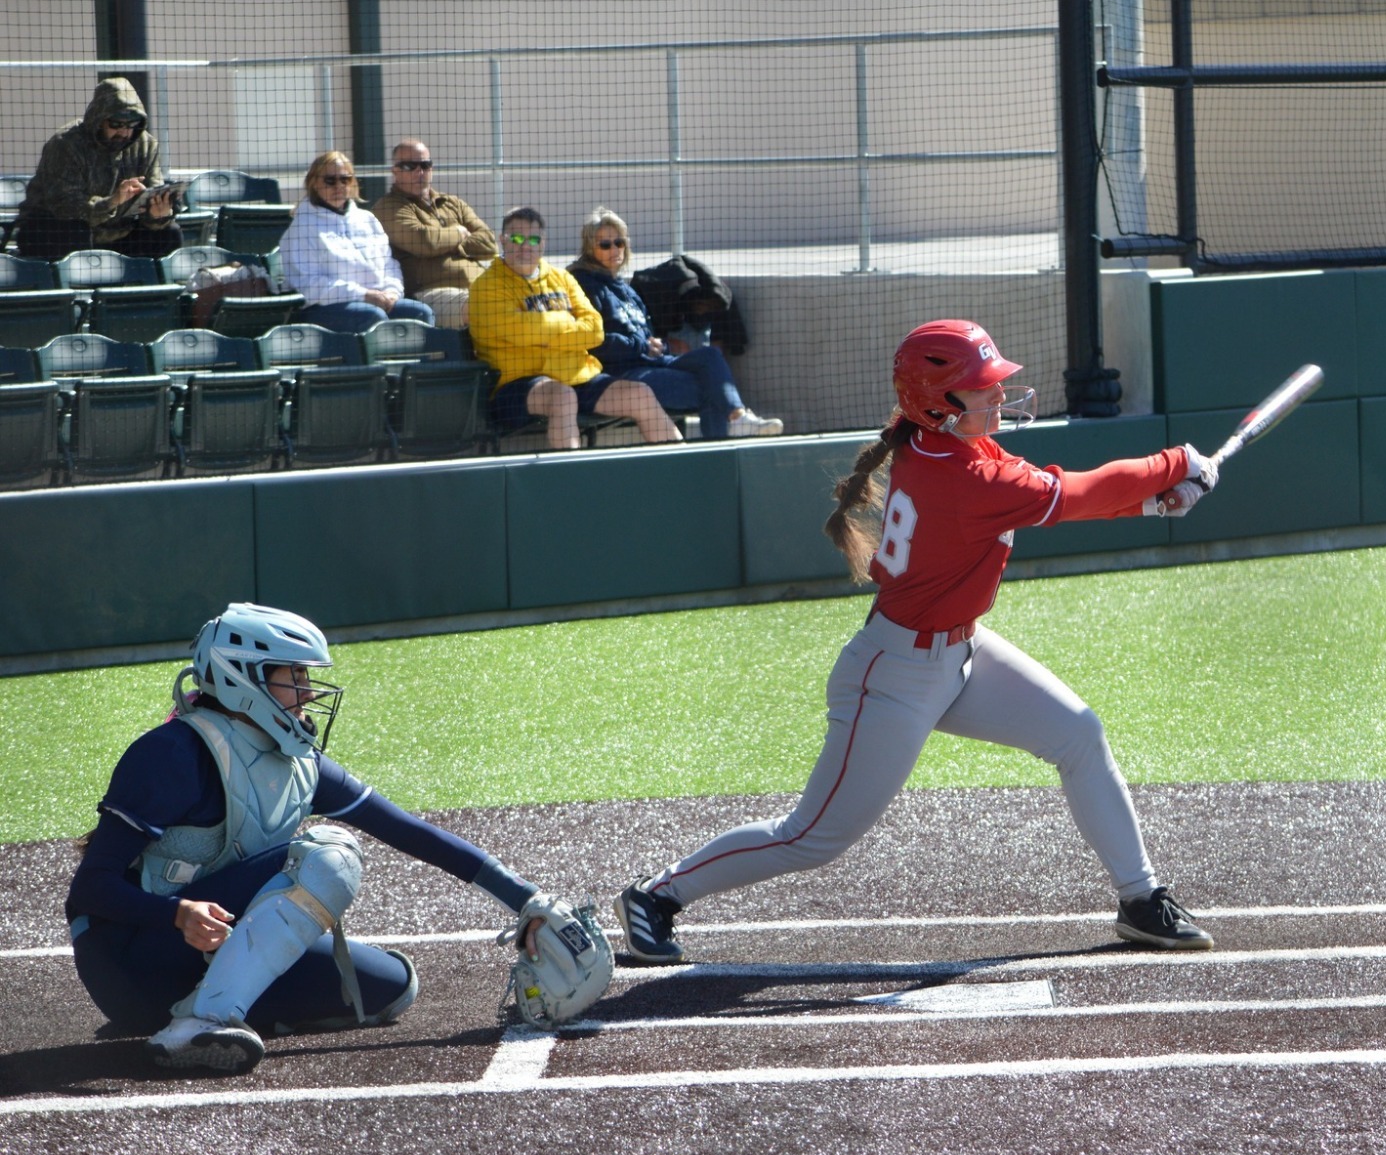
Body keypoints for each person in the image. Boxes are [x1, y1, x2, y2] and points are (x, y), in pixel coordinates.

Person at [616, 320, 1218, 964]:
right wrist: (1176, 463)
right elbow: (1079, 492)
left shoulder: (956, 451)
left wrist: (1156, 504)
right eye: (980, 387)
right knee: (814, 837)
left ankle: (1140, 896)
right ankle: (658, 895)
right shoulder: (964, 477)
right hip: (894, 673)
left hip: (960, 653)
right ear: (937, 402)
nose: (997, 395)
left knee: (1079, 732)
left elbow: (1060, 499)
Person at [64, 603, 566, 1074]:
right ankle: (201, 1023)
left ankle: (196, 1011)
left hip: (198, 952)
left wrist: (528, 900)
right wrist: (177, 913)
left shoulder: (297, 760)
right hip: (129, 961)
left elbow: (410, 833)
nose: (308, 692)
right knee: (331, 854)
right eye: (295, 676)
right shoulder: (171, 754)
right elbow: (89, 890)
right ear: (244, 678)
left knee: (389, 989)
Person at [469, 206, 682, 450]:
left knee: (640, 394)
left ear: (543, 243)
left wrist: (542, 330)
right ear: (502, 240)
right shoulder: (486, 286)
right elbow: (514, 329)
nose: (525, 246)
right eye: (516, 238)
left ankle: (686, 470)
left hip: (576, 375)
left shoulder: (562, 278)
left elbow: (594, 330)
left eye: (533, 239)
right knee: (562, 397)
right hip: (515, 385)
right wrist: (566, 322)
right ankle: (573, 482)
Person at [566, 207, 782, 440]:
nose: (614, 249)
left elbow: (646, 336)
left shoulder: (625, 288)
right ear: (590, 248)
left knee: (709, 357)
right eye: (604, 245)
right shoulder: (583, 284)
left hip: (653, 362)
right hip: (621, 374)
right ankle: (722, 448)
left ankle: (737, 419)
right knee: (712, 390)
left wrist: (661, 346)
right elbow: (594, 341)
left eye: (618, 242)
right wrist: (641, 347)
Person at [14, 77, 183, 260]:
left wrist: (157, 215)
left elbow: (152, 192)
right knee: (74, 231)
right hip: (54, 229)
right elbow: (64, 206)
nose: (124, 132)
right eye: (116, 124)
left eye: (132, 125)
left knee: (169, 233)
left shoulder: (146, 145)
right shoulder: (66, 144)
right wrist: (112, 202)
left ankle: (146, 286)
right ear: (99, 119)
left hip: (117, 232)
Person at [279, 151, 435, 333]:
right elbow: (308, 285)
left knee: (420, 313)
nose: (338, 186)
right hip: (321, 308)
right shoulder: (302, 227)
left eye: (345, 179)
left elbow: (389, 265)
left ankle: (416, 362)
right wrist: (363, 295)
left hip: (376, 300)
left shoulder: (367, 219)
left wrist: (392, 293)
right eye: (330, 180)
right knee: (372, 317)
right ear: (314, 183)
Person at [370, 139, 496, 331]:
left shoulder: (452, 203)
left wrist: (447, 242)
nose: (419, 172)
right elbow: (424, 242)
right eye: (409, 166)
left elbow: (489, 243)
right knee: (487, 306)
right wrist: (459, 232)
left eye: (425, 165)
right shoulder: (389, 207)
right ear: (395, 171)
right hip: (431, 293)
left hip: (479, 285)